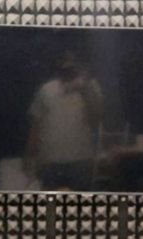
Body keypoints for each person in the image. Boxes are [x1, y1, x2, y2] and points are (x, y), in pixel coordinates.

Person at [24, 49, 103, 191]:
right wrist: (29, 156)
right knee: (49, 203)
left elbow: (97, 117)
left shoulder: (91, 87)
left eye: (72, 63)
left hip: (81, 160)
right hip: (50, 160)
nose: (67, 66)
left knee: (80, 203)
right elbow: (36, 125)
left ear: (79, 64)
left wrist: (84, 88)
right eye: (64, 62)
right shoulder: (46, 89)